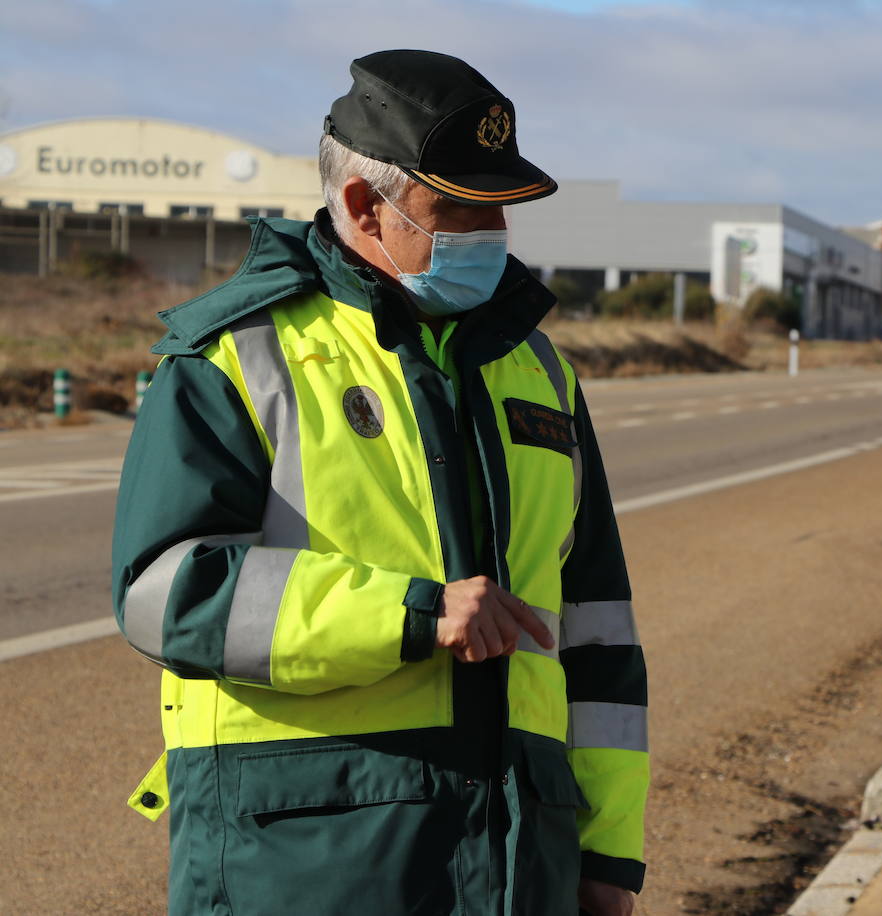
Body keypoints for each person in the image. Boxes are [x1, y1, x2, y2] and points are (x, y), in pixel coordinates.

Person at [112, 49, 647, 916]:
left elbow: (598, 631)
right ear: (366, 205)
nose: (491, 237)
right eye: (461, 211)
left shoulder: (536, 369)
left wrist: (609, 854)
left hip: (520, 859)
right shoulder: (235, 357)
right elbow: (163, 591)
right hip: (309, 857)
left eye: (498, 212)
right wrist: (410, 614)